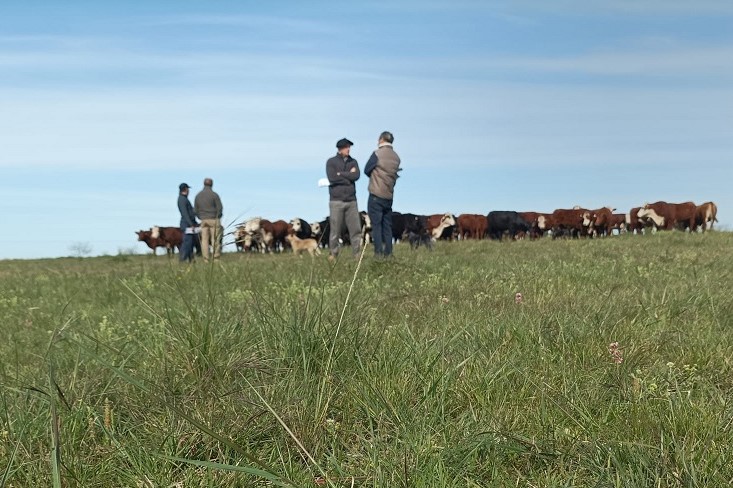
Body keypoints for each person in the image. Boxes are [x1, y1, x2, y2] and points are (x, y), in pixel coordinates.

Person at [364, 131, 401, 258]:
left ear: (381, 139)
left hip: (376, 194)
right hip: (389, 195)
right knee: (387, 226)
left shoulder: (377, 154)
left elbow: (367, 170)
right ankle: (389, 252)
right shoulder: (396, 157)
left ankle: (378, 252)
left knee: (376, 225)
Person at [326, 138, 362, 260]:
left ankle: (357, 254)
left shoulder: (353, 161)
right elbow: (332, 178)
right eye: (347, 147)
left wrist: (340, 174)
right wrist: (348, 176)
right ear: (340, 149)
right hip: (336, 201)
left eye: (349, 147)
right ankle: (333, 254)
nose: (349, 149)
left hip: (352, 200)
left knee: (356, 229)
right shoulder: (331, 162)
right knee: (335, 230)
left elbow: (356, 176)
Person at [194, 178, 224, 262]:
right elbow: (220, 208)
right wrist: (218, 216)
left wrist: (200, 217)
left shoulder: (198, 195)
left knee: (204, 240)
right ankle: (216, 258)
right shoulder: (214, 195)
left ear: (203, 184)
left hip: (203, 220)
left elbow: (195, 210)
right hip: (214, 219)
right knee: (215, 240)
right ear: (212, 184)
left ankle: (206, 259)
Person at [177, 183, 198, 262]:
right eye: (188, 189)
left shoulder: (184, 199)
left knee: (191, 243)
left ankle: (191, 259)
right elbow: (185, 213)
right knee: (187, 243)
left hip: (188, 223)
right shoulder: (182, 199)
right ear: (185, 189)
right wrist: (191, 224)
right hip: (187, 224)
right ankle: (182, 259)